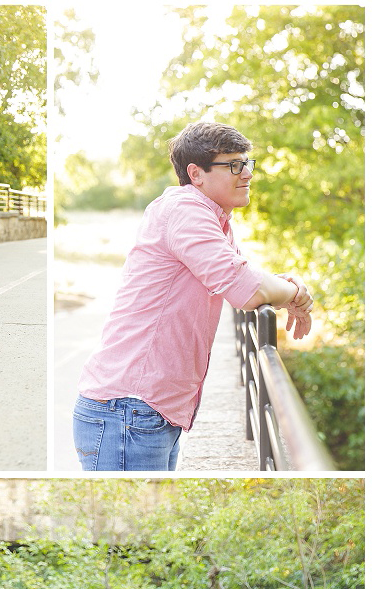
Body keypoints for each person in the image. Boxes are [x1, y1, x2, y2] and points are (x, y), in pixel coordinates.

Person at [73, 122, 315, 470]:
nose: (247, 173)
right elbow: (244, 289)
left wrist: (285, 285)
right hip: (126, 411)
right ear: (195, 173)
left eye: (247, 163)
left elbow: (243, 274)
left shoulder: (210, 217)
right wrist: (294, 293)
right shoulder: (186, 211)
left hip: (146, 412)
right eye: (233, 164)